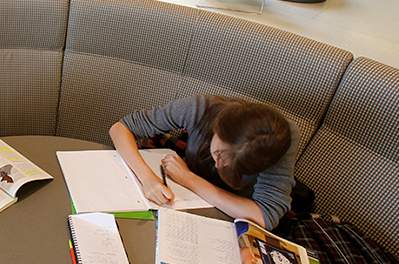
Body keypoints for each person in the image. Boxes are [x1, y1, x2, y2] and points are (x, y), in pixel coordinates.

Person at [109, 95, 297, 230]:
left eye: (236, 168)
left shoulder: (282, 139)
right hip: (181, 199)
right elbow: (121, 128)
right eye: (218, 154)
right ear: (218, 127)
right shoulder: (201, 108)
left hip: (227, 214)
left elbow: (265, 216)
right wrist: (147, 177)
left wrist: (190, 179)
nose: (219, 166)